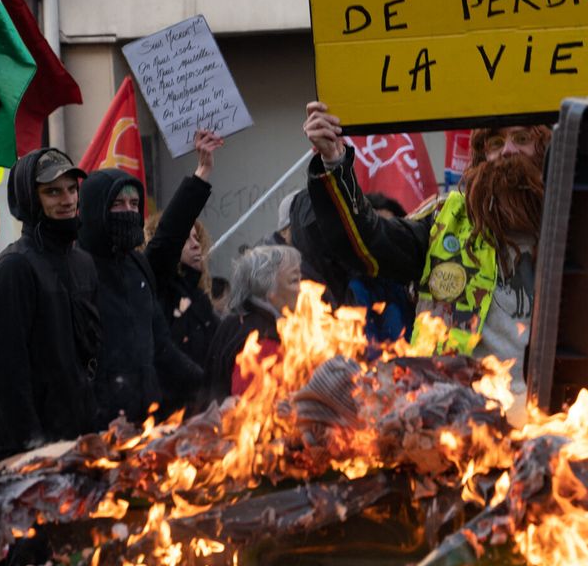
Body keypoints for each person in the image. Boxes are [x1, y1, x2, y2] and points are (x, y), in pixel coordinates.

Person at [302, 101, 550, 416]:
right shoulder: (448, 220)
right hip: (462, 416)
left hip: (562, 417)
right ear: (482, 155)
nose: (507, 151)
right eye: (496, 143)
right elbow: (371, 241)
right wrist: (335, 162)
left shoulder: (574, 222)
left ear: (545, 150)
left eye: (522, 139)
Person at [0, 146, 99, 566]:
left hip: (78, 450)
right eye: (53, 191)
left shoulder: (81, 264)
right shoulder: (14, 268)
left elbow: (89, 357)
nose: (66, 199)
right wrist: (26, 454)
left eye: (71, 190)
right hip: (32, 457)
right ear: (31, 198)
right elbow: (4, 373)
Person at [78, 168, 202, 428]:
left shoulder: (137, 266)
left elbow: (161, 346)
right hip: (100, 430)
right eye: (118, 204)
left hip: (146, 420)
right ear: (95, 209)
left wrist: (208, 381)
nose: (129, 211)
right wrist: (98, 419)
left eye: (134, 204)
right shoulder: (77, 271)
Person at [143, 128, 224, 412]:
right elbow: (170, 232)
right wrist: (201, 172)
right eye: (186, 238)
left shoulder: (199, 295)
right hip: (174, 416)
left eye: (197, 237)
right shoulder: (158, 288)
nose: (194, 244)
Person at [204, 245, 302, 401]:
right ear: (269, 291)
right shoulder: (261, 345)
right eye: (294, 281)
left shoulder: (236, 320)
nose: (302, 289)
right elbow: (252, 411)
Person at [344, 192, 417, 343]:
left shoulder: (411, 280)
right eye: (378, 232)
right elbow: (364, 347)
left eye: (392, 230)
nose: (386, 240)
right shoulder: (355, 289)